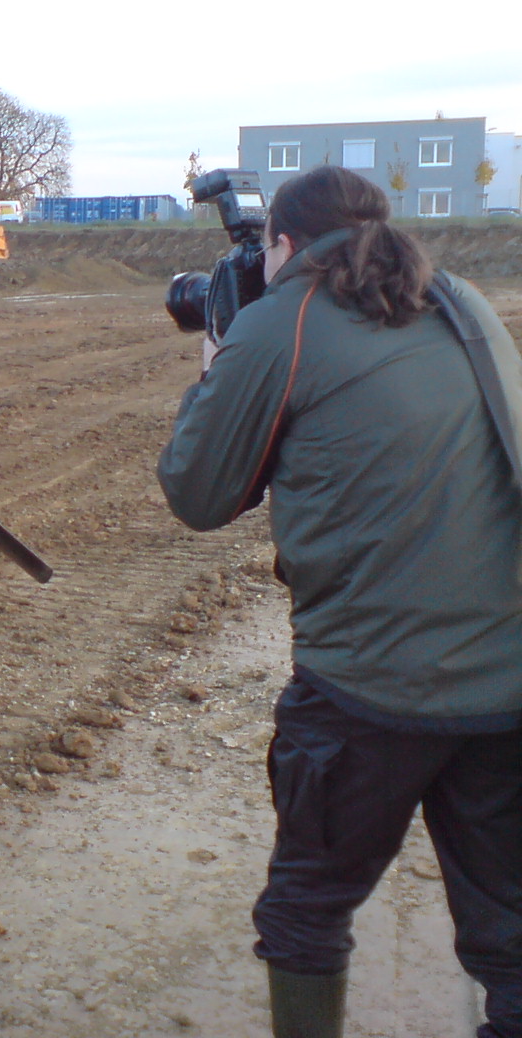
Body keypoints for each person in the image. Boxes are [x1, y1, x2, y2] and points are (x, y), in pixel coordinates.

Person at [157, 165, 522, 1038]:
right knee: (512, 935)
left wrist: (213, 375)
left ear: (284, 244)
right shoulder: (461, 301)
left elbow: (199, 495)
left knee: (306, 912)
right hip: (507, 680)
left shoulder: (282, 322)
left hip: (367, 688)